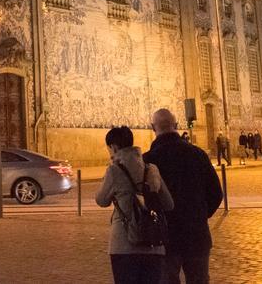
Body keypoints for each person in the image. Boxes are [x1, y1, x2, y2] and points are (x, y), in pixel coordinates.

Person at [145, 109, 224, 284]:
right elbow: (216, 193)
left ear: (153, 128)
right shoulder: (198, 154)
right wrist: (200, 215)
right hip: (196, 235)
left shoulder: (148, 160)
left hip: (165, 238)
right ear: (177, 126)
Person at [95, 125, 173, 284]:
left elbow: (101, 200)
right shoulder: (151, 168)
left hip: (124, 245)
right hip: (153, 243)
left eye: (109, 149)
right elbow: (168, 203)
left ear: (114, 147)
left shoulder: (114, 170)